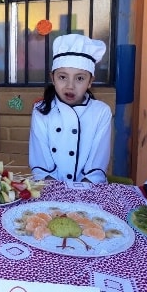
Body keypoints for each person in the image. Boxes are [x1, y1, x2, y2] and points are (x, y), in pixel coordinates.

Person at [29, 33, 111, 183]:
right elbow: (40, 160)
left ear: (90, 81)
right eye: (62, 77)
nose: (70, 86)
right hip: (49, 187)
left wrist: (81, 192)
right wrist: (57, 193)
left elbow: (97, 162)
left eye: (80, 78)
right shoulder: (40, 110)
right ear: (52, 78)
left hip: (88, 189)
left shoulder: (101, 112)